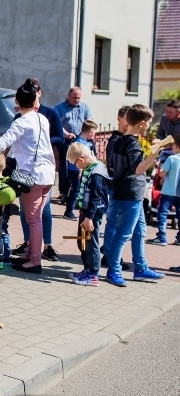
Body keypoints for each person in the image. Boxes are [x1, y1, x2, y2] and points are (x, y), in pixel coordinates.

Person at [0, 78, 55, 274]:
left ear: (17, 101)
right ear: (35, 100)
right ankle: (30, 254)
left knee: (33, 220)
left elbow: (2, 143)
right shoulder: (43, 119)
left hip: (32, 176)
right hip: (48, 174)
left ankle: (35, 260)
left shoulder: (23, 122)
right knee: (36, 217)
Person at [102, 104, 164, 287]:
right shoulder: (133, 143)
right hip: (130, 193)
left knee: (139, 231)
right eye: (150, 123)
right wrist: (155, 153)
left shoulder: (118, 139)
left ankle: (141, 268)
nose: (150, 126)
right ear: (142, 123)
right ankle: (113, 271)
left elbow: (113, 165)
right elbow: (138, 168)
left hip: (123, 191)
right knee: (123, 234)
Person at [11, 81, 64, 262]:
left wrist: (39, 139)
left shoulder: (48, 115)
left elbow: (59, 138)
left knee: (38, 216)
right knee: (29, 215)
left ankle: (40, 253)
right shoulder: (24, 118)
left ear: (39, 93)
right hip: (38, 174)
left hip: (36, 174)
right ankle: (30, 248)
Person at [66, 142, 110, 287]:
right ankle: (87, 268)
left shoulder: (96, 172)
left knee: (91, 242)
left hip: (92, 214)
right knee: (83, 241)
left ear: (82, 159)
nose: (75, 166)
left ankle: (94, 274)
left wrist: (89, 217)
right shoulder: (89, 169)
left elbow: (96, 197)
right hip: (86, 212)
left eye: (75, 163)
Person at [101, 106, 131, 271]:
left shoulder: (125, 138)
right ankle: (110, 254)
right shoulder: (116, 140)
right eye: (128, 118)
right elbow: (112, 165)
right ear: (119, 118)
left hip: (119, 185)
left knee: (114, 222)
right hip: (116, 186)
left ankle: (109, 252)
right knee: (113, 222)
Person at [54, 86, 93, 201]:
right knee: (65, 167)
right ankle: (64, 191)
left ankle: (77, 192)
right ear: (68, 96)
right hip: (66, 140)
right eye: (74, 98)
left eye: (78, 98)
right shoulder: (60, 108)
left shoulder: (85, 107)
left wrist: (85, 134)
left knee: (80, 166)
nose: (76, 100)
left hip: (80, 140)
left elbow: (89, 122)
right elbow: (57, 125)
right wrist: (67, 134)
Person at [148, 137, 180, 248]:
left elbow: (161, 174)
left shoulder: (172, 158)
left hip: (168, 191)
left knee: (162, 214)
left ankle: (162, 237)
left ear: (175, 147)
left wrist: (161, 170)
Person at [64, 119, 98, 220]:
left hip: (79, 170)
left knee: (77, 190)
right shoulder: (80, 143)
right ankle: (69, 211)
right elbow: (79, 158)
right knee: (76, 190)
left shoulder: (85, 142)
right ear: (90, 132)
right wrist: (80, 171)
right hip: (77, 170)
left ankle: (71, 208)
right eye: (94, 133)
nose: (94, 135)